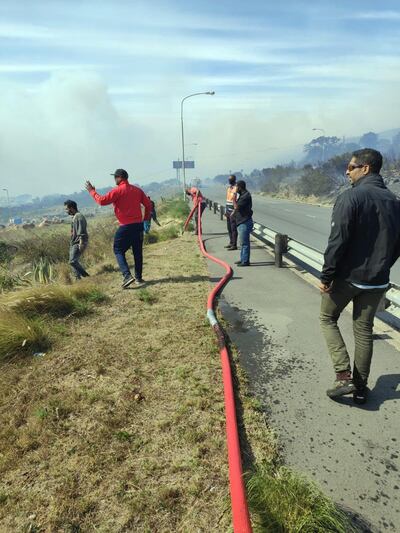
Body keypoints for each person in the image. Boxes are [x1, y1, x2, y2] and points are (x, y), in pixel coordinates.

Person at [319, 149, 400, 404]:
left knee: (327, 317)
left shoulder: (350, 198)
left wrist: (327, 275)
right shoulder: (395, 202)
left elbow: (337, 241)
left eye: (351, 167)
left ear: (365, 168)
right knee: (363, 330)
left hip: (348, 278)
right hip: (377, 280)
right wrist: (383, 265)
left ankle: (343, 377)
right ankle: (361, 387)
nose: (347, 170)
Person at [85, 169, 151, 289]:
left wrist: (91, 191)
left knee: (118, 250)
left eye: (115, 177)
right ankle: (138, 278)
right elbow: (148, 205)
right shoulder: (137, 190)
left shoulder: (117, 191)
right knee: (137, 252)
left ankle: (127, 276)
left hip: (125, 226)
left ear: (120, 177)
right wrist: (145, 220)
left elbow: (101, 201)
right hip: (138, 225)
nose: (114, 179)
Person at [64, 200, 89, 280]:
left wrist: (81, 243)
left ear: (71, 208)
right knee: (73, 261)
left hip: (78, 242)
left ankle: (86, 275)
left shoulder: (79, 216)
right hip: (74, 242)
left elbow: (81, 230)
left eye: (67, 209)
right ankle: (78, 278)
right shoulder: (75, 216)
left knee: (72, 261)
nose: (66, 211)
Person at [232, 180, 253, 267]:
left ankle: (245, 261)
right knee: (242, 243)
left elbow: (236, 206)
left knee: (244, 243)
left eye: (236, 186)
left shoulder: (245, 196)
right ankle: (242, 259)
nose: (235, 188)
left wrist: (233, 196)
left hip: (244, 222)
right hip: (241, 221)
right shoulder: (242, 195)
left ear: (240, 187)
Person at [225, 174, 238, 250]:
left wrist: (235, 211)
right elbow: (227, 200)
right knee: (229, 228)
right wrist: (225, 210)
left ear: (234, 179)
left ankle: (234, 244)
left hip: (233, 211)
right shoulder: (229, 188)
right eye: (229, 179)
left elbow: (236, 200)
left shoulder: (236, 188)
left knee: (233, 228)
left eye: (231, 179)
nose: (229, 181)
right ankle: (231, 242)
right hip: (228, 210)